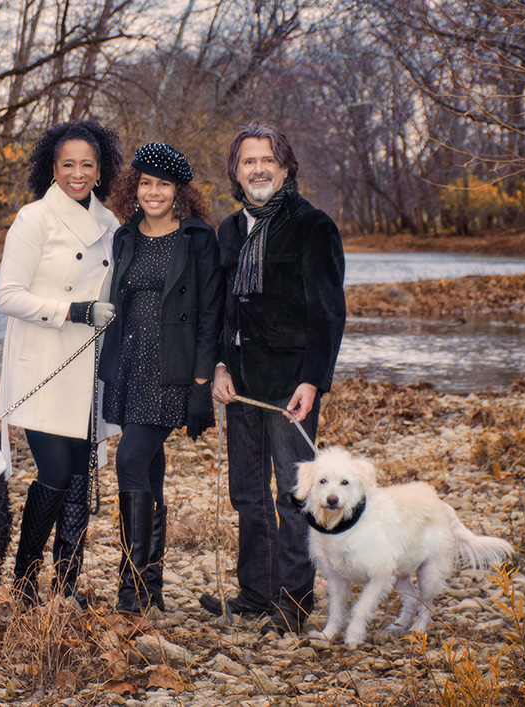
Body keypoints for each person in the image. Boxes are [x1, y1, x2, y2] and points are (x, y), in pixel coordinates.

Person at [199, 123, 346, 634]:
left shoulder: (313, 226)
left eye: (268, 160)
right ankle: (256, 594)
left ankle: (293, 602)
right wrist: (217, 364)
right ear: (236, 172)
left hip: (290, 387)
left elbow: (328, 313)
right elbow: (220, 309)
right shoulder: (228, 231)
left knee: (293, 493)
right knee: (247, 493)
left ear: (285, 168)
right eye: (248, 162)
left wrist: (313, 381)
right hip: (239, 382)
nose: (258, 169)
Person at [0, 120, 123, 609]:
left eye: (87, 165)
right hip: (43, 364)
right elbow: (8, 295)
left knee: (79, 475)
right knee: (54, 471)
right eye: (68, 164)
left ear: (99, 170)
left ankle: (65, 586)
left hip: (88, 366)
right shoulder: (33, 219)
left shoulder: (110, 224)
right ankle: (27, 582)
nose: (77, 173)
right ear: (52, 167)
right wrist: (72, 311)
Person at [100, 142, 222, 614]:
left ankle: (130, 592)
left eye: (164, 185)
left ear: (179, 192)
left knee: (130, 460)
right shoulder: (125, 237)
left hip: (172, 371)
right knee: (149, 471)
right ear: (135, 187)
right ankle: (151, 589)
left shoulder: (197, 239)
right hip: (130, 367)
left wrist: (200, 382)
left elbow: (210, 314)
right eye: (146, 183)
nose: (154, 192)